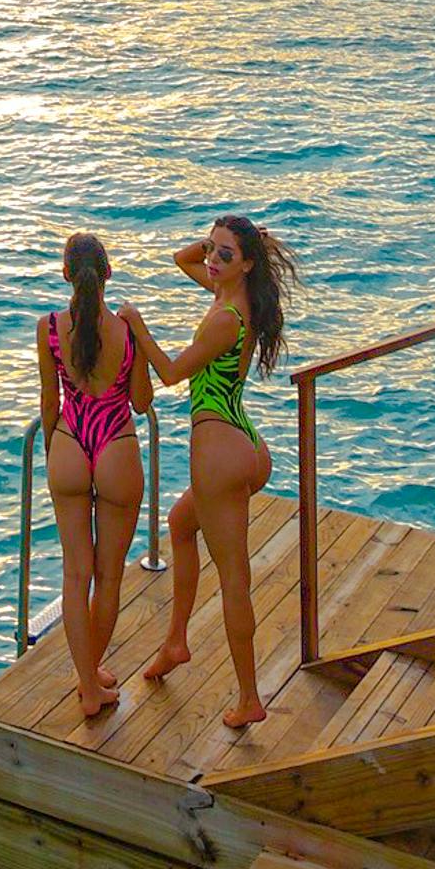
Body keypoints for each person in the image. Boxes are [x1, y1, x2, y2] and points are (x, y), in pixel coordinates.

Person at [139, 211, 301, 729]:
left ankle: (250, 698)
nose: (208, 260)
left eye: (223, 255)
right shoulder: (239, 300)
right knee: (181, 525)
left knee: (234, 579)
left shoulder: (222, 319)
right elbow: (182, 259)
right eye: (211, 250)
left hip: (219, 453)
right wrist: (226, 244)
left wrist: (134, 322)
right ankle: (176, 642)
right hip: (245, 444)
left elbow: (167, 374)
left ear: (246, 265)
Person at [36, 230, 153, 726]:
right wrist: (141, 340)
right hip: (115, 443)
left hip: (69, 441)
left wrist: (52, 453)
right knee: (108, 576)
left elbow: (50, 402)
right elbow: (142, 402)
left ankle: (88, 680)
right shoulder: (126, 329)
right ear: (108, 274)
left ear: (67, 274)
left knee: (74, 574)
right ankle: (90, 681)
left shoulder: (48, 328)